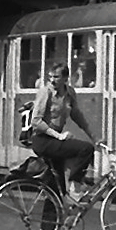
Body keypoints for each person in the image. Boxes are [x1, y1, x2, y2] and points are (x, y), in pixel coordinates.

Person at [26, 62, 95, 197]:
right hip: (43, 140)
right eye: (50, 77)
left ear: (66, 78)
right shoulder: (46, 92)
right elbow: (36, 121)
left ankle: (51, 216)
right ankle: (75, 185)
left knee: (56, 189)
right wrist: (58, 136)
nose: (52, 80)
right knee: (86, 149)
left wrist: (94, 136)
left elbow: (77, 115)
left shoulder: (69, 93)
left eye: (56, 77)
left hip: (53, 141)